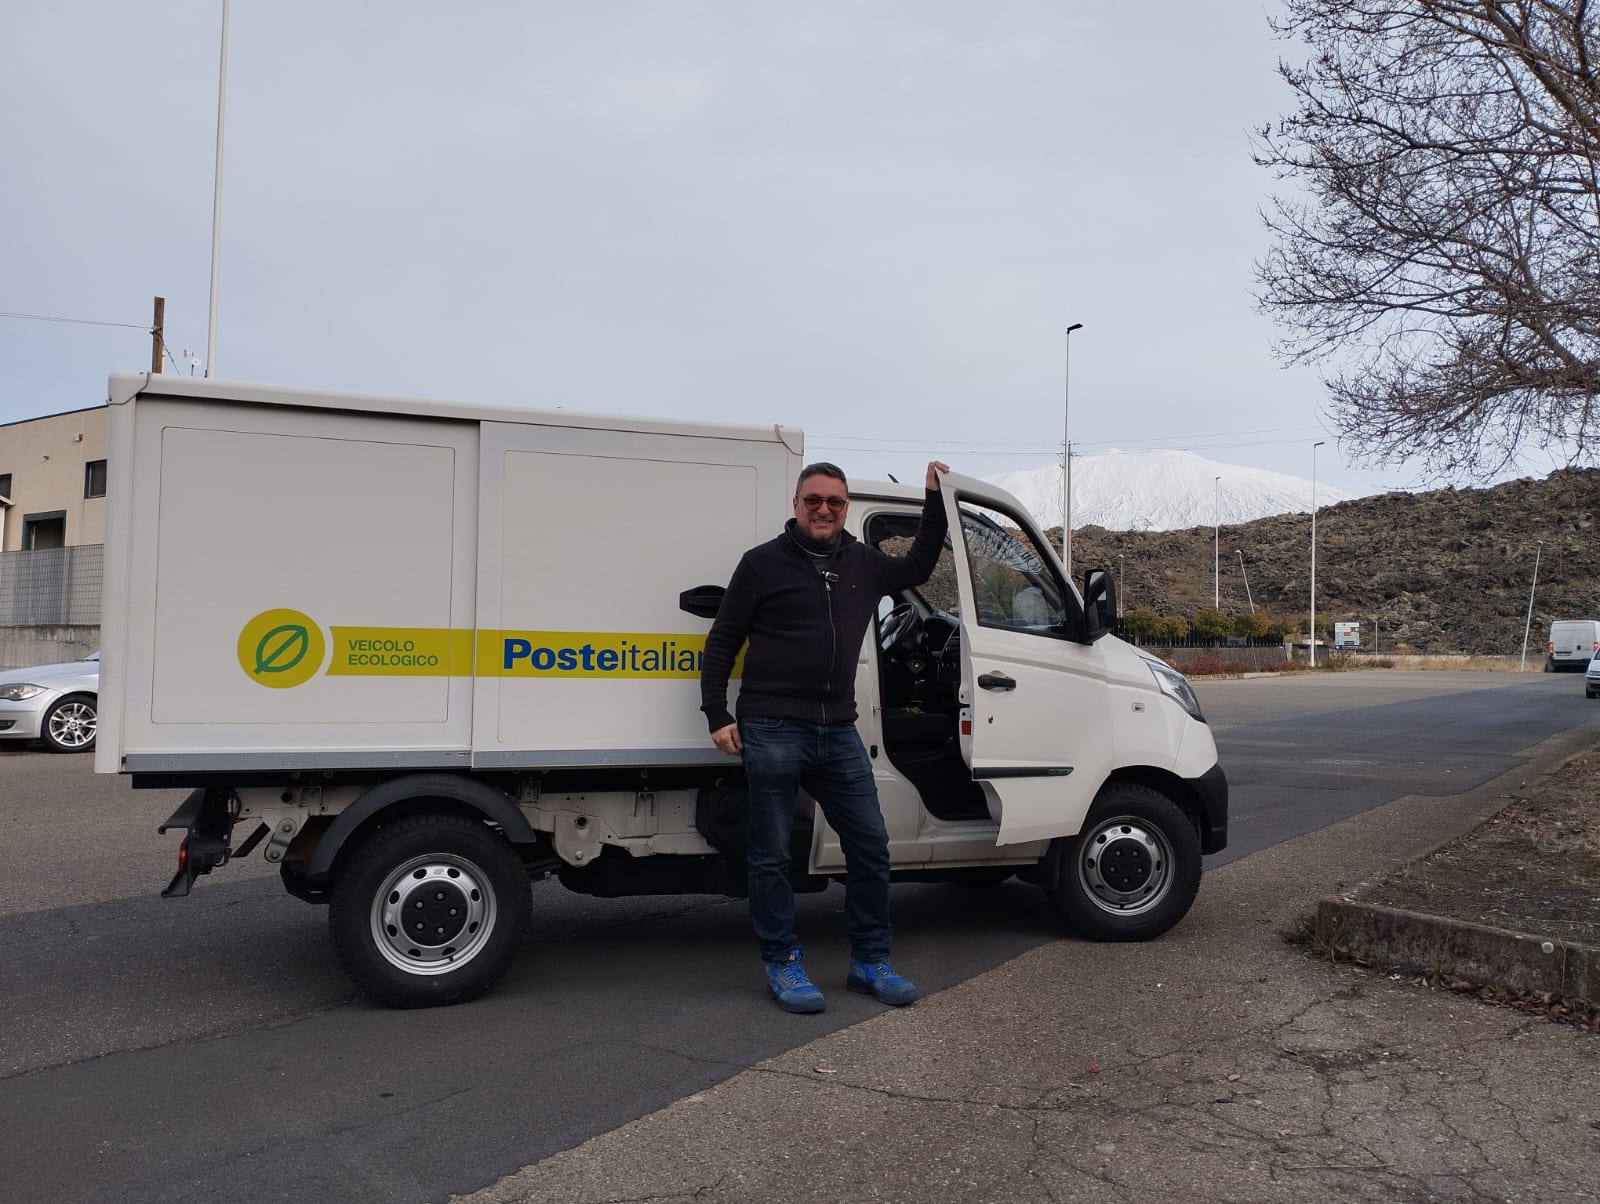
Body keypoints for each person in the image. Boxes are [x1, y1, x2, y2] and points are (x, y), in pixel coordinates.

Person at [700, 459, 951, 1013]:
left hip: (838, 728)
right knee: (770, 854)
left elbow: (919, 564)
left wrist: (935, 497)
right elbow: (722, 641)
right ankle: (784, 963)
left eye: (834, 502)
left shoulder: (863, 563)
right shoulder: (761, 564)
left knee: (870, 846)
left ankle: (869, 961)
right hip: (770, 726)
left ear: (844, 510)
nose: (823, 509)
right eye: (813, 499)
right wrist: (717, 713)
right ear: (796, 504)